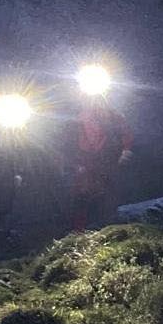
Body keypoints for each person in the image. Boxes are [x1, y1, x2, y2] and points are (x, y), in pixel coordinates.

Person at [66, 97, 133, 230]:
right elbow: (67, 140)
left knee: (107, 196)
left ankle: (108, 228)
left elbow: (125, 132)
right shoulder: (77, 116)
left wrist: (126, 150)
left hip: (107, 161)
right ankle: (79, 232)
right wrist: (74, 163)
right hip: (85, 163)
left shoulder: (112, 116)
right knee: (81, 197)